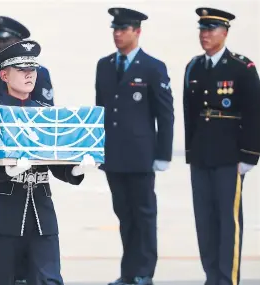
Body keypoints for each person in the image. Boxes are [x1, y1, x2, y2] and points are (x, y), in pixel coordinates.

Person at [0, 40, 96, 285]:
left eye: (32, 68)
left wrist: (75, 167)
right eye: (21, 69)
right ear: (4, 75)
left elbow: (54, 160)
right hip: (4, 211)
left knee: (49, 279)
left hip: (41, 211)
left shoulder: (45, 112)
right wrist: (9, 170)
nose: (29, 74)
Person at [95, 7, 174, 285]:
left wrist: (163, 154)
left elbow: (165, 113)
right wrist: (96, 149)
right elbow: (100, 111)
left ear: (137, 32)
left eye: (123, 29)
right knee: (125, 216)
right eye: (115, 29)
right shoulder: (104, 65)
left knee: (144, 216)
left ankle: (143, 272)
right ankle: (128, 272)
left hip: (141, 156)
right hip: (113, 156)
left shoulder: (153, 67)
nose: (117, 34)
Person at [183, 7, 260, 285]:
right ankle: (211, 276)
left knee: (228, 222)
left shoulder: (242, 67)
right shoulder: (193, 67)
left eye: (211, 29)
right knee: (204, 221)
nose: (205, 35)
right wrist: (190, 153)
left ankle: (227, 279)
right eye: (202, 29)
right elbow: (190, 113)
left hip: (230, 156)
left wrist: (250, 154)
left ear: (225, 33)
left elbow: (254, 112)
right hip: (202, 155)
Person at [0, 16, 54, 106]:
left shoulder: (40, 72)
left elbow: (46, 112)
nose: (0, 44)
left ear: (18, 41)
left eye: (5, 40)